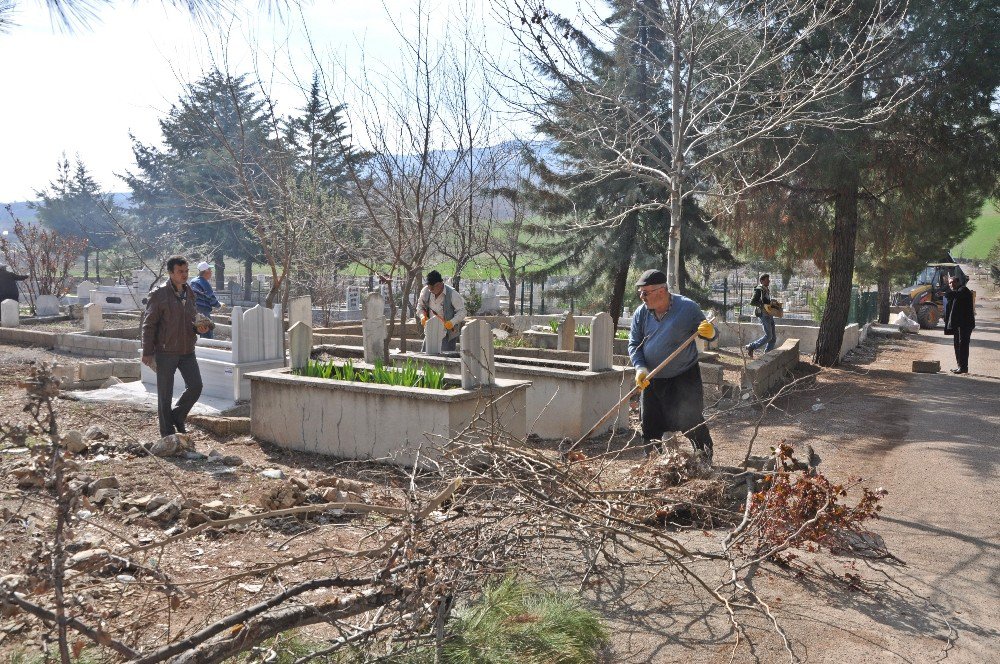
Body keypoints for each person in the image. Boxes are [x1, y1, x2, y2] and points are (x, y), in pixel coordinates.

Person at [629, 269, 718, 461]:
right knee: (649, 425)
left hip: (682, 376)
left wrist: (709, 332)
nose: (641, 296)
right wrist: (640, 368)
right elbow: (634, 344)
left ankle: (705, 458)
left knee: (690, 420)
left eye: (645, 292)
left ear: (661, 291)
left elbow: (710, 332)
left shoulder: (687, 308)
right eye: (640, 292)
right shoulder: (641, 313)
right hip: (652, 379)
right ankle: (655, 464)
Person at [142, 256, 210, 437]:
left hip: (188, 350)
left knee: (196, 386)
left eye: (187, 271)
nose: (184, 275)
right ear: (171, 273)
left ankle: (178, 416)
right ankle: (167, 434)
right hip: (166, 351)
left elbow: (191, 318)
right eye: (180, 271)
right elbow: (148, 325)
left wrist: (199, 328)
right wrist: (148, 352)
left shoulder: (190, 292)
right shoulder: (159, 294)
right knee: (165, 394)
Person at [417, 270, 466, 352]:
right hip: (430, 331)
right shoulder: (426, 291)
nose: (430, 290)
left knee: (444, 360)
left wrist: (452, 322)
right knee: (426, 357)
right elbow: (420, 306)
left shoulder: (452, 294)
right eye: (429, 288)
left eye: (432, 288)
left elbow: (462, 311)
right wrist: (422, 316)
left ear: (439, 284)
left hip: (447, 333)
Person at [943, 274, 975, 374]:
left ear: (957, 282)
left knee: (963, 346)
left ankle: (963, 367)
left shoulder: (963, 290)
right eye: (949, 283)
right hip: (958, 324)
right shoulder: (956, 292)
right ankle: (960, 366)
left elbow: (956, 295)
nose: (951, 285)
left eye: (952, 282)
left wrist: (945, 293)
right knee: (957, 345)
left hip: (965, 324)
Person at [189, 261, 222, 339]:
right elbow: (211, 298)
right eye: (210, 270)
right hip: (203, 310)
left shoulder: (193, 281)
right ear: (206, 271)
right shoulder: (204, 282)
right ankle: (208, 347)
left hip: (192, 309)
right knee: (207, 330)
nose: (211, 272)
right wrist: (218, 305)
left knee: (197, 330)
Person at [745, 273, 776, 358]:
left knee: (773, 338)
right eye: (767, 279)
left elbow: (766, 301)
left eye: (769, 279)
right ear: (762, 281)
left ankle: (767, 355)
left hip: (769, 314)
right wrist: (762, 305)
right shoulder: (759, 289)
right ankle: (751, 346)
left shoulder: (766, 289)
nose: (769, 281)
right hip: (764, 315)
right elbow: (752, 302)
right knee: (769, 336)